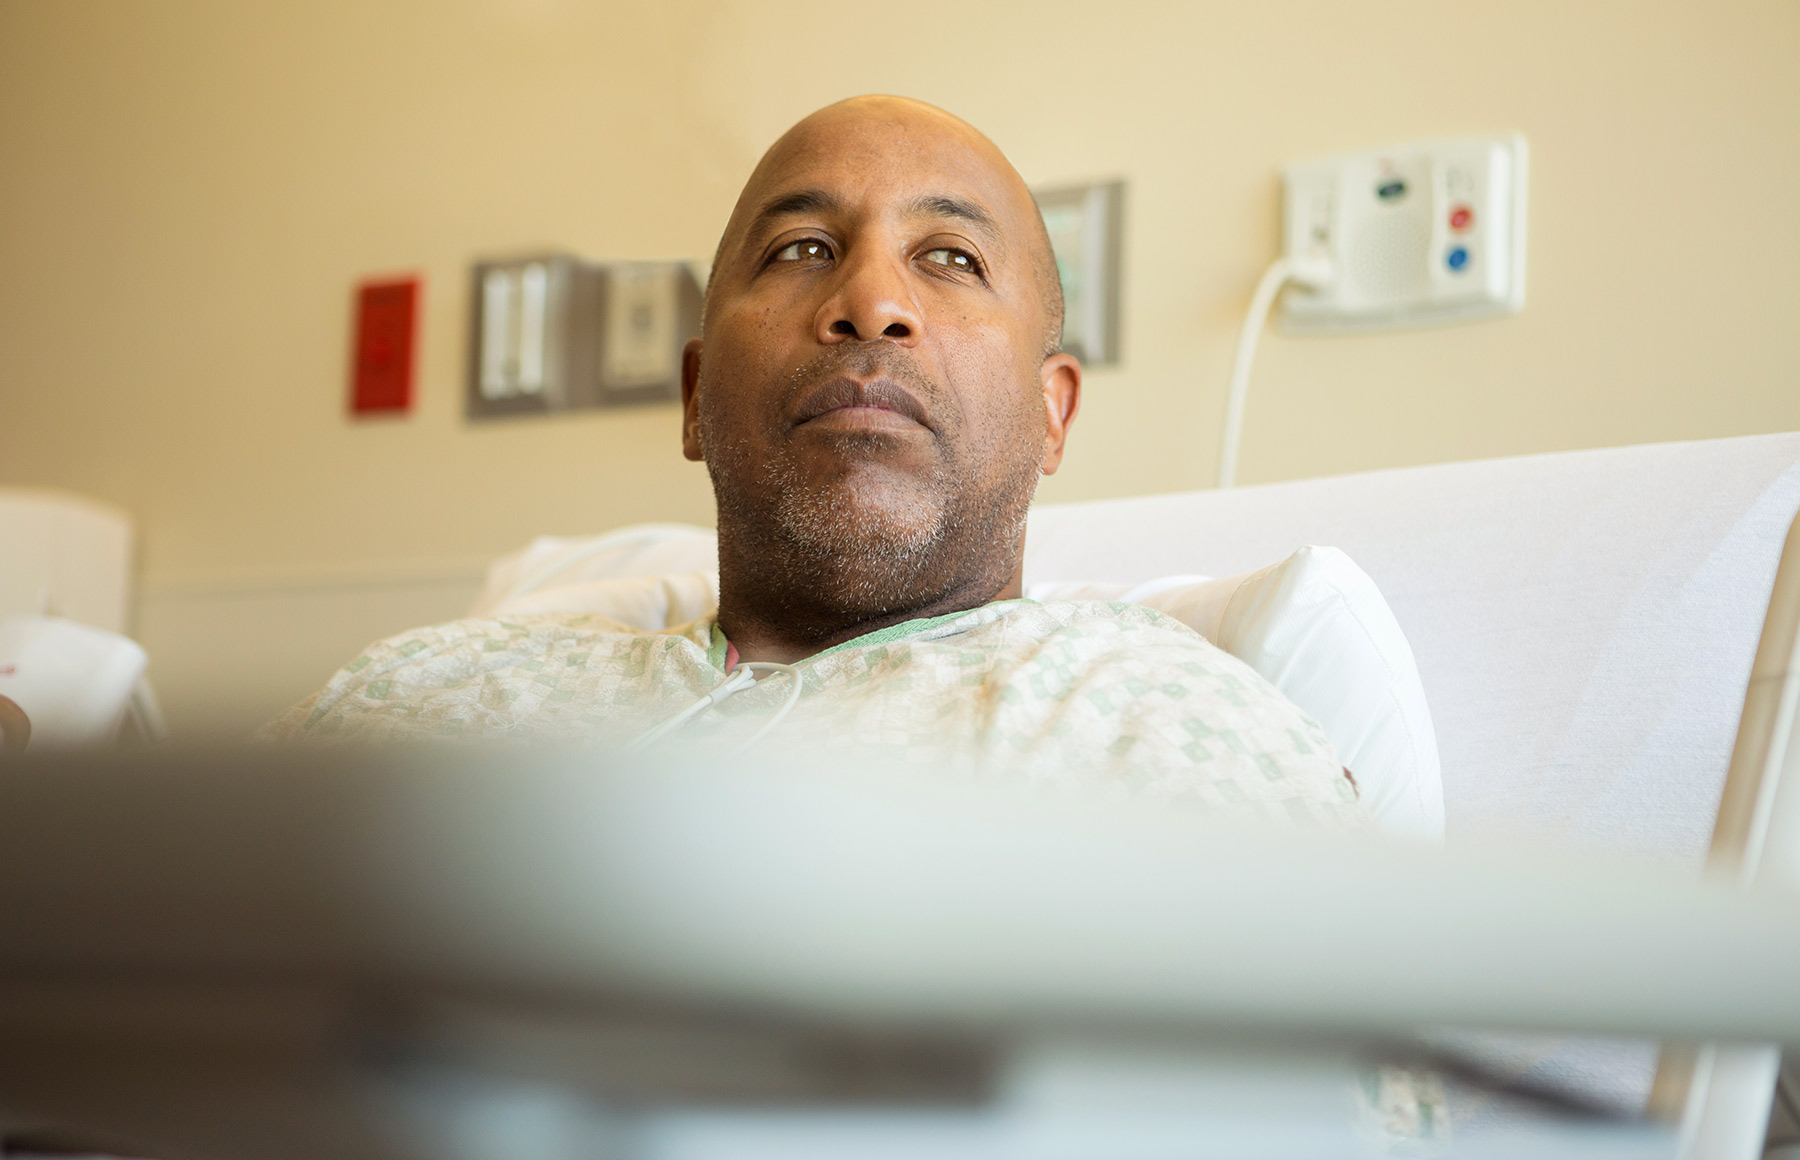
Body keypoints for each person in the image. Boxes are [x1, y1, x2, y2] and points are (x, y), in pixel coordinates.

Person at [265, 96, 1363, 828]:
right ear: (695, 398)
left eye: (951, 258)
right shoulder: (422, 699)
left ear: (1051, 414)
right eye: (802, 250)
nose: (871, 302)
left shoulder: (1169, 731)